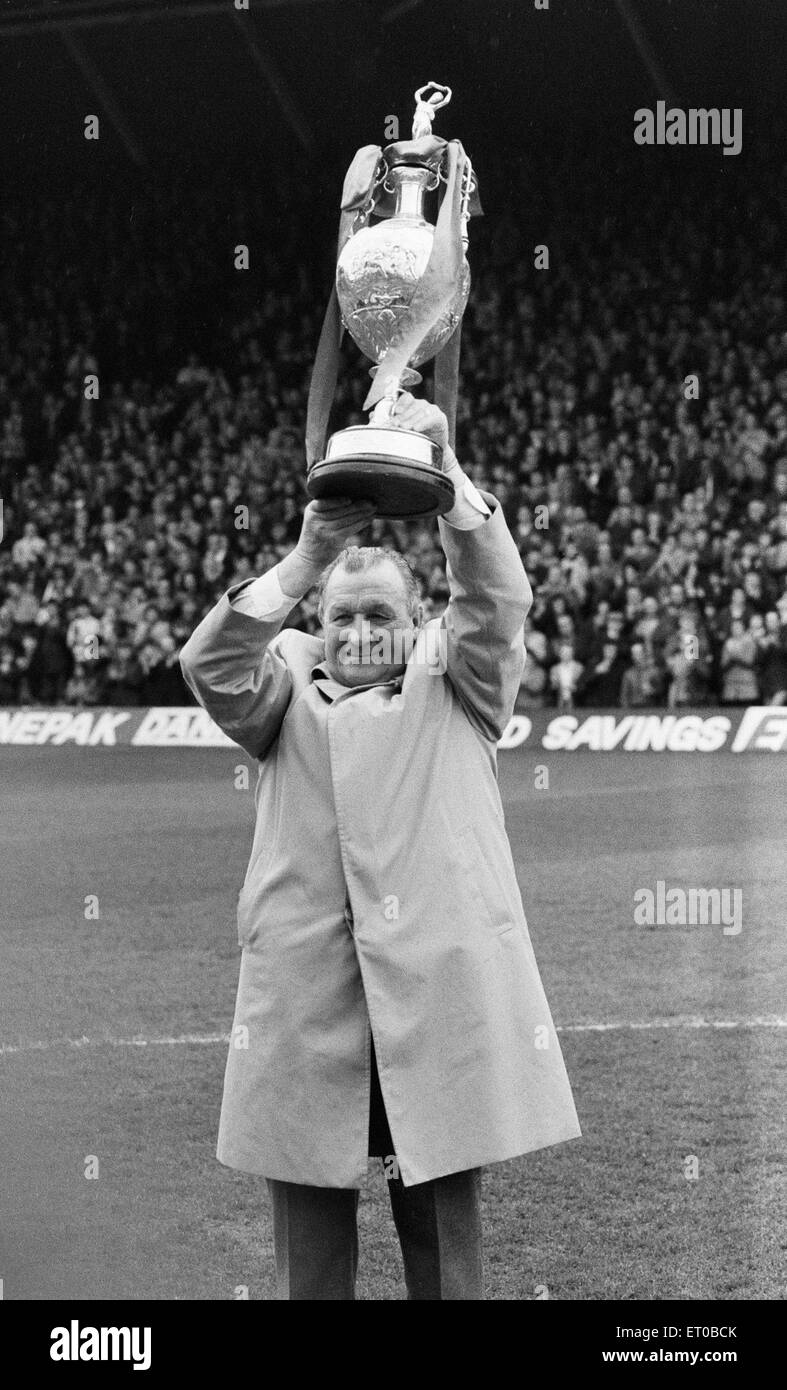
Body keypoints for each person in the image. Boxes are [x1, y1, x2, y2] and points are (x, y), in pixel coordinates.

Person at [180, 395, 581, 1301]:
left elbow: (498, 597)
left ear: (417, 619)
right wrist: (305, 560)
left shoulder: (459, 680)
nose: (361, 633)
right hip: (306, 1000)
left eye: (381, 615)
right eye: (343, 615)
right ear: (317, 623)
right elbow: (209, 666)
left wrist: (446, 481)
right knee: (308, 1250)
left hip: (431, 1001)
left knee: (441, 1233)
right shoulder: (279, 684)